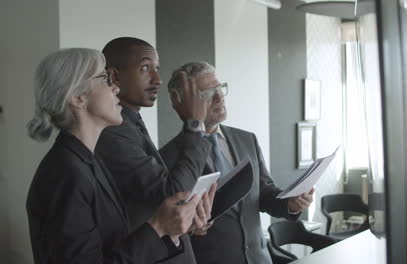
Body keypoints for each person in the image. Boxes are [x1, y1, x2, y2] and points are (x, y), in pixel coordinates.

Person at [26, 48, 201, 264]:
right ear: (78, 98)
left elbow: (114, 242)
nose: (115, 88)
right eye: (104, 79)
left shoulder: (88, 161)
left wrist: (170, 228)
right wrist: (157, 229)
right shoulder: (66, 173)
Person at [162, 61, 315, 264]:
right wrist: (191, 229)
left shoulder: (246, 139)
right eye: (207, 93)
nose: (219, 98)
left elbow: (264, 192)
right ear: (183, 103)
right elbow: (169, 230)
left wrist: (291, 203)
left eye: (219, 88)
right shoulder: (167, 157)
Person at [95, 37, 215, 264]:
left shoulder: (131, 122)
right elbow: (172, 193)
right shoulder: (112, 131)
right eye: (145, 68)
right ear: (114, 76)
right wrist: (195, 125)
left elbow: (156, 203)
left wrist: (188, 218)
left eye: (157, 69)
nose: (158, 79)